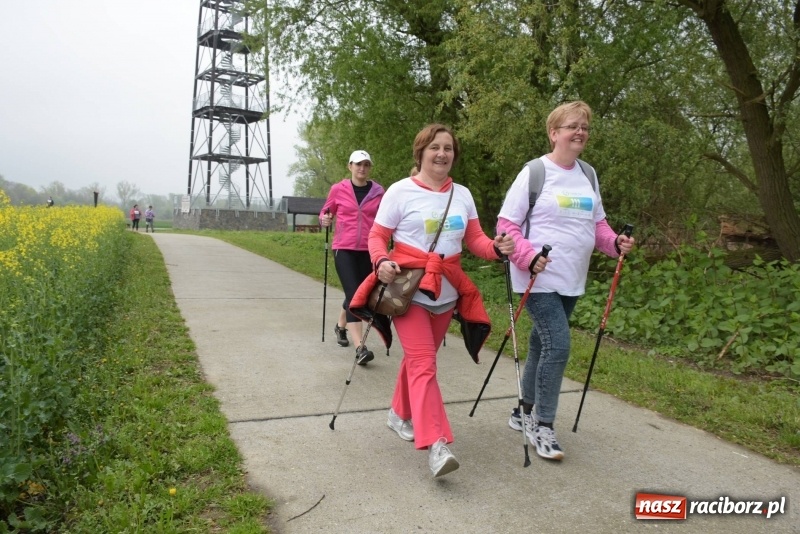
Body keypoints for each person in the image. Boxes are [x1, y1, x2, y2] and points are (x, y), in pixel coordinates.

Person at [350, 124, 515, 478]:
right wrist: (381, 261)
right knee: (424, 364)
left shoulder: (462, 194)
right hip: (408, 291)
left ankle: (398, 414)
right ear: (421, 152)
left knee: (418, 360)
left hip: (446, 292)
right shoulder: (400, 191)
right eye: (435, 147)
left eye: (448, 148)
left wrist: (496, 248)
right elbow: (377, 236)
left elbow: (475, 240)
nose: (442, 154)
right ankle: (437, 444)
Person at [496, 101, 635, 461]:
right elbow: (507, 226)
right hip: (537, 278)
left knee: (540, 345)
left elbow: (597, 225)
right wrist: (528, 257)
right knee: (558, 346)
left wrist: (615, 243)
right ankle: (543, 425)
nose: (580, 132)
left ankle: (522, 411)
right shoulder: (534, 172)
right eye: (573, 126)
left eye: (584, 127)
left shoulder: (588, 174)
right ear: (554, 133)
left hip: (572, 278)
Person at [320, 150, 385, 365]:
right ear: (350, 166)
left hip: (369, 249)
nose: (362, 168)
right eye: (358, 164)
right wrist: (324, 219)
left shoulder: (378, 192)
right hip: (344, 248)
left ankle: (340, 327)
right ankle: (360, 348)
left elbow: (385, 218)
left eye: (366, 164)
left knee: (358, 293)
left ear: (370, 168)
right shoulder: (338, 189)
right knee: (354, 294)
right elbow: (325, 212)